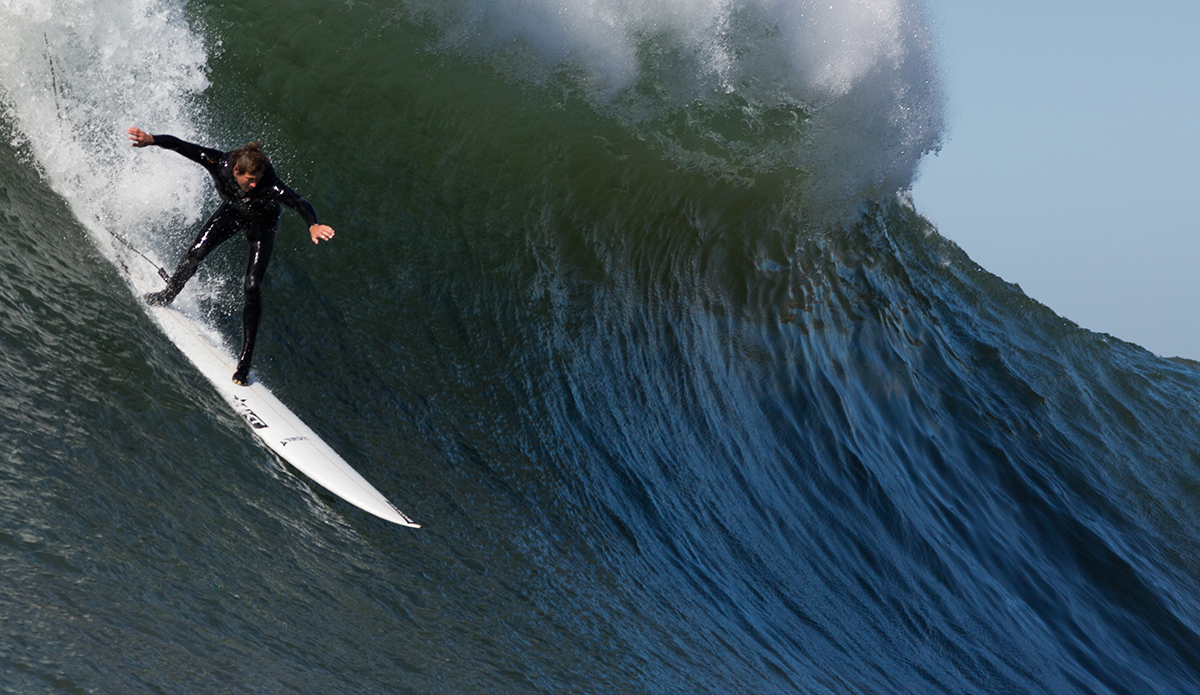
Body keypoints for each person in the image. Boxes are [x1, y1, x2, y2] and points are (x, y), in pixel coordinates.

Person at [127, 127, 335, 386]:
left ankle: (245, 362)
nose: (255, 185)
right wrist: (153, 140)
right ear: (236, 171)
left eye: (258, 178)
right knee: (196, 253)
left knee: (251, 284)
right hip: (234, 211)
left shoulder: (269, 184)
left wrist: (312, 224)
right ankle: (167, 295)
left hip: (263, 224)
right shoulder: (219, 162)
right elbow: (183, 146)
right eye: (250, 179)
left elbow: (299, 202)